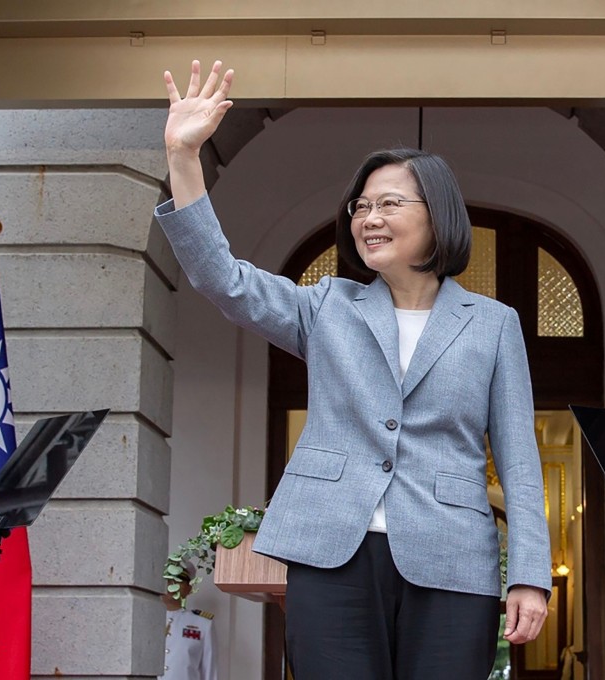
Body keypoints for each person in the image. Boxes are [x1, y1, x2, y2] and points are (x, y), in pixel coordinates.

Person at [153, 60, 551, 680]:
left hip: (452, 556)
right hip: (331, 551)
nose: (368, 218)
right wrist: (183, 157)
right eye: (361, 206)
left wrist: (530, 573)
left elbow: (521, 461)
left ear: (437, 214)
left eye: (389, 203)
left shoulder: (493, 323)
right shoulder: (327, 305)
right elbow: (222, 279)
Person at [160, 562, 217, 680]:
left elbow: (209, 670)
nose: (172, 585)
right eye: (168, 579)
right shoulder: (145, 619)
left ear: (189, 588)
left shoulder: (202, 623)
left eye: (178, 580)